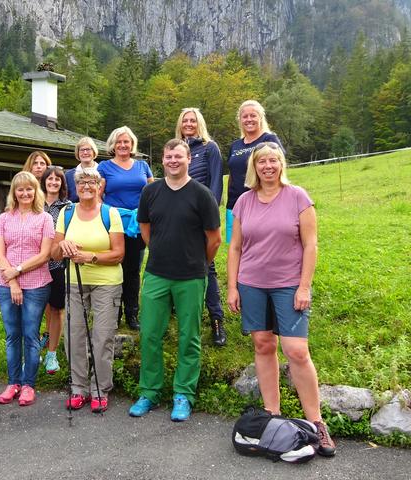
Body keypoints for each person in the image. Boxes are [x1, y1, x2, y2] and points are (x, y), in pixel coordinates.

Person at [226, 142, 336, 456]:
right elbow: (235, 248)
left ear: (281, 164)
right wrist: (232, 287)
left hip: (289, 284)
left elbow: (311, 245)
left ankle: (317, 423)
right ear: (254, 167)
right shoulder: (244, 201)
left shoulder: (298, 197)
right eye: (262, 162)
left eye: (273, 160)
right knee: (263, 343)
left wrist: (304, 287)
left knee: (296, 350)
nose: (268, 166)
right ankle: (272, 416)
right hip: (252, 283)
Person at [129, 139, 221, 422]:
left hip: (191, 277)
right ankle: (149, 391)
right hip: (157, 274)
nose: (172, 161)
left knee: (188, 337)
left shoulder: (202, 195)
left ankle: (183, 394)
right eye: (168, 156)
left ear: (188, 159)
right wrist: (160, 250)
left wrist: (197, 262)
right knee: (150, 334)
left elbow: (214, 239)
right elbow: (145, 229)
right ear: (163, 160)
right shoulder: (151, 192)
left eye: (178, 156)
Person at [51, 168, 125, 413]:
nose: (86, 186)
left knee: (102, 337)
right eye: (81, 181)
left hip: (107, 282)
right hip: (73, 280)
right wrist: (63, 244)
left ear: (100, 185)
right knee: (74, 335)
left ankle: (100, 389)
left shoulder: (110, 213)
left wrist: (90, 256)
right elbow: (53, 253)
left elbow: (118, 253)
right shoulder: (66, 213)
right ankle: (78, 387)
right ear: (75, 186)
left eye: (91, 181)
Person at [0, 171, 54, 407]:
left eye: (29, 188)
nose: (25, 193)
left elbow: (44, 254)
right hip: (6, 285)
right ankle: (13, 383)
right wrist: (11, 281)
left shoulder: (44, 218)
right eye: (20, 189)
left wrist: (17, 270)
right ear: (14, 193)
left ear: (35, 191)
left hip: (36, 284)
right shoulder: (4, 218)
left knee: (30, 336)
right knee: (12, 336)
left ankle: (29, 384)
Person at [176, 107, 226, 346]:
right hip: (178, 219)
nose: (188, 123)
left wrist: (209, 216)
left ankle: (217, 320)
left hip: (201, 218)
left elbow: (216, 184)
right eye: (184, 120)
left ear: (199, 123)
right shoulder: (177, 150)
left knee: (208, 266)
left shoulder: (210, 148)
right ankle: (182, 315)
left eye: (192, 120)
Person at [98, 126, 153, 330]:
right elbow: (98, 195)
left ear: (132, 145)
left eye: (126, 142)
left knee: (133, 270)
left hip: (137, 224)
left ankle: (132, 313)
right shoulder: (104, 167)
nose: (123, 145)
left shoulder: (142, 166)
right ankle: (114, 313)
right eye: (119, 142)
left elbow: (151, 192)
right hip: (114, 223)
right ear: (113, 145)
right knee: (114, 267)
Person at [226, 100, 284, 242]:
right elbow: (232, 174)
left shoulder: (269, 139)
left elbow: (279, 169)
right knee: (237, 247)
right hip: (235, 204)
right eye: (245, 116)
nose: (249, 119)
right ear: (240, 120)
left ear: (260, 118)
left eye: (253, 115)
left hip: (262, 203)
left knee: (263, 246)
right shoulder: (235, 145)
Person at [40, 166, 71, 374]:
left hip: (58, 265)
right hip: (35, 264)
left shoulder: (68, 206)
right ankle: (34, 352)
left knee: (57, 308)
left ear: (62, 183)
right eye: (49, 179)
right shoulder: (34, 202)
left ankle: (51, 354)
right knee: (37, 309)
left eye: (57, 179)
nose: (53, 182)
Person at [65, 137, 100, 202]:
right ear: (77, 153)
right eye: (82, 150)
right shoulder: (69, 175)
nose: (85, 152)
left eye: (88, 149)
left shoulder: (103, 172)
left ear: (94, 151)